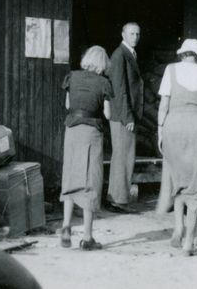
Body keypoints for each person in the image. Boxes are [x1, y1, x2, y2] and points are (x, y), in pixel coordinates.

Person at [156, 38, 197, 257]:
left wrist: (160, 130)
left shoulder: (170, 70)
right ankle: (189, 243)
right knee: (196, 182)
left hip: (174, 124)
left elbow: (164, 105)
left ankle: (178, 228)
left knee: (176, 177)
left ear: (182, 54)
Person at [60, 45, 113, 250]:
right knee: (91, 180)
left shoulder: (72, 77)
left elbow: (67, 106)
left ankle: (65, 226)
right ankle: (87, 237)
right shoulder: (103, 83)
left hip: (72, 130)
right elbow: (107, 115)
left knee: (71, 175)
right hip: (91, 132)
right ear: (102, 64)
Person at [105, 22, 143, 213]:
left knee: (123, 157)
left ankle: (117, 197)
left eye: (137, 34)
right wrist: (128, 117)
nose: (135, 37)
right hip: (122, 117)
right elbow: (119, 90)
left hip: (124, 115)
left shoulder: (128, 54)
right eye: (131, 33)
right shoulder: (120, 55)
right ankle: (118, 200)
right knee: (123, 157)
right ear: (123, 34)